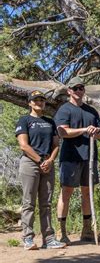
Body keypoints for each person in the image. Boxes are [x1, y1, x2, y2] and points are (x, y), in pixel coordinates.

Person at [54, 76, 100, 244]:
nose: (79, 91)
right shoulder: (64, 110)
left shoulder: (91, 111)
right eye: (75, 88)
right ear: (69, 91)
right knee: (66, 193)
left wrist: (96, 131)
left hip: (89, 157)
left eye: (81, 88)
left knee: (87, 193)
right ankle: (62, 232)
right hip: (70, 158)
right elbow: (62, 132)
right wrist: (84, 130)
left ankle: (87, 229)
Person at [16, 91, 66, 250]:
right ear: (30, 103)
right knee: (29, 202)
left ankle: (49, 239)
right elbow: (23, 145)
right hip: (30, 163)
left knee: (46, 203)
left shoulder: (50, 122)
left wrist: (50, 160)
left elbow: (56, 144)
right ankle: (28, 238)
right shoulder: (24, 120)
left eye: (42, 100)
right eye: (35, 100)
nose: (39, 102)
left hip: (48, 163)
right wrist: (40, 160)